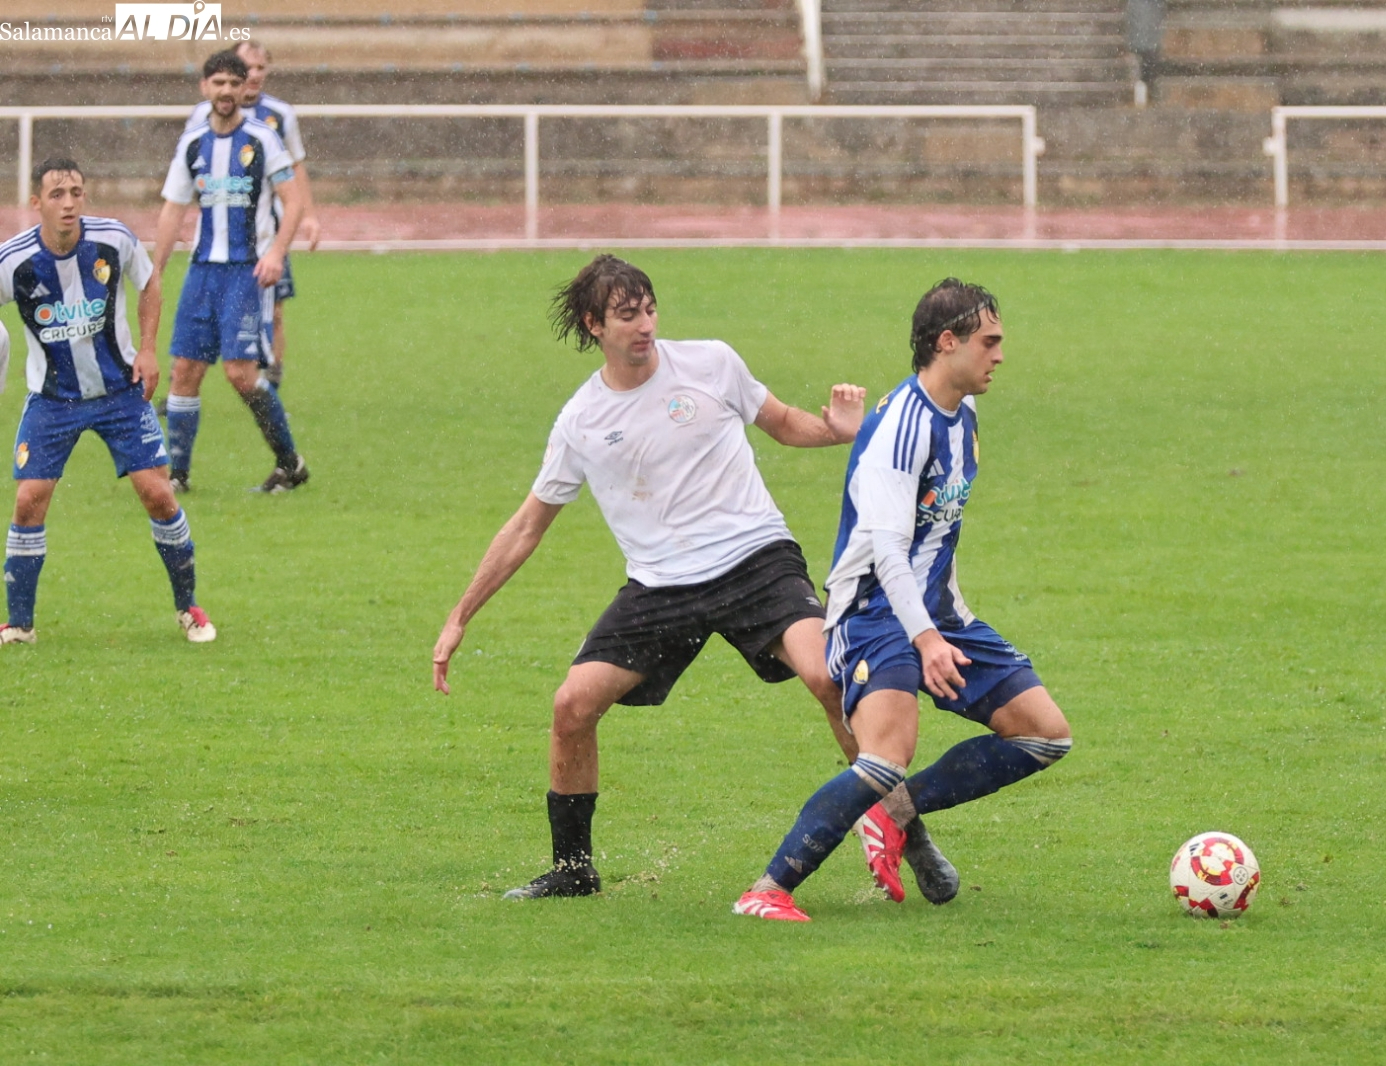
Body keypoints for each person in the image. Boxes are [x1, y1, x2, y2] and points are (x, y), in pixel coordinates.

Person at [432, 254, 955, 901]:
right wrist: (459, 616)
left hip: (756, 559)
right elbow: (526, 527)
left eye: (650, 310)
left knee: (830, 676)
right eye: (627, 315)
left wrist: (837, 431)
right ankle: (573, 869)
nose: (645, 325)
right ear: (594, 325)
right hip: (662, 586)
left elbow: (784, 423)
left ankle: (906, 831)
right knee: (571, 706)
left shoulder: (711, 363)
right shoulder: (581, 422)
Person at [734, 279, 1073, 923]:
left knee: (1045, 735)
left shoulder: (962, 415)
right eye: (989, 342)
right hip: (872, 612)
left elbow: (938, 531)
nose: (1000, 355)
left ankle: (893, 815)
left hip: (936, 612)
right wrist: (924, 639)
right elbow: (889, 550)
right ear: (947, 342)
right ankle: (767, 890)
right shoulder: (902, 429)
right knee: (887, 756)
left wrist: (947, 620)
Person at [0, 158, 215, 645]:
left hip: (120, 392)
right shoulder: (14, 261)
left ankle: (189, 607)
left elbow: (150, 281)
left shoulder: (112, 240)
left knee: (158, 494)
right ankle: (19, 625)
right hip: (52, 399)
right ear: (36, 203)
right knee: (29, 500)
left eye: (76, 192)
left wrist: (148, 348)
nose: (69, 203)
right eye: (57, 194)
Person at [154, 48, 309, 494]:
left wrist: (276, 252)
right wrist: (155, 270)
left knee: (240, 374)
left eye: (234, 84)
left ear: (244, 89)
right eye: (218, 83)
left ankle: (290, 463)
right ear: (205, 87)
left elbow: (293, 201)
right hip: (202, 270)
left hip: (246, 271)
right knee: (185, 370)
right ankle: (178, 477)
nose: (226, 91)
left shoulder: (262, 138)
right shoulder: (193, 143)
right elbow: (173, 209)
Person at [185, 39, 321, 391]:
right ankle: (182, 385)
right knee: (202, 312)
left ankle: (270, 382)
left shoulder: (279, 114)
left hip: (268, 229)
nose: (255, 74)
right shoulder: (202, 115)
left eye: (261, 67)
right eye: (248, 67)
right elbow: (191, 166)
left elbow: (296, 165)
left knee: (274, 308)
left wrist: (308, 215)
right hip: (219, 237)